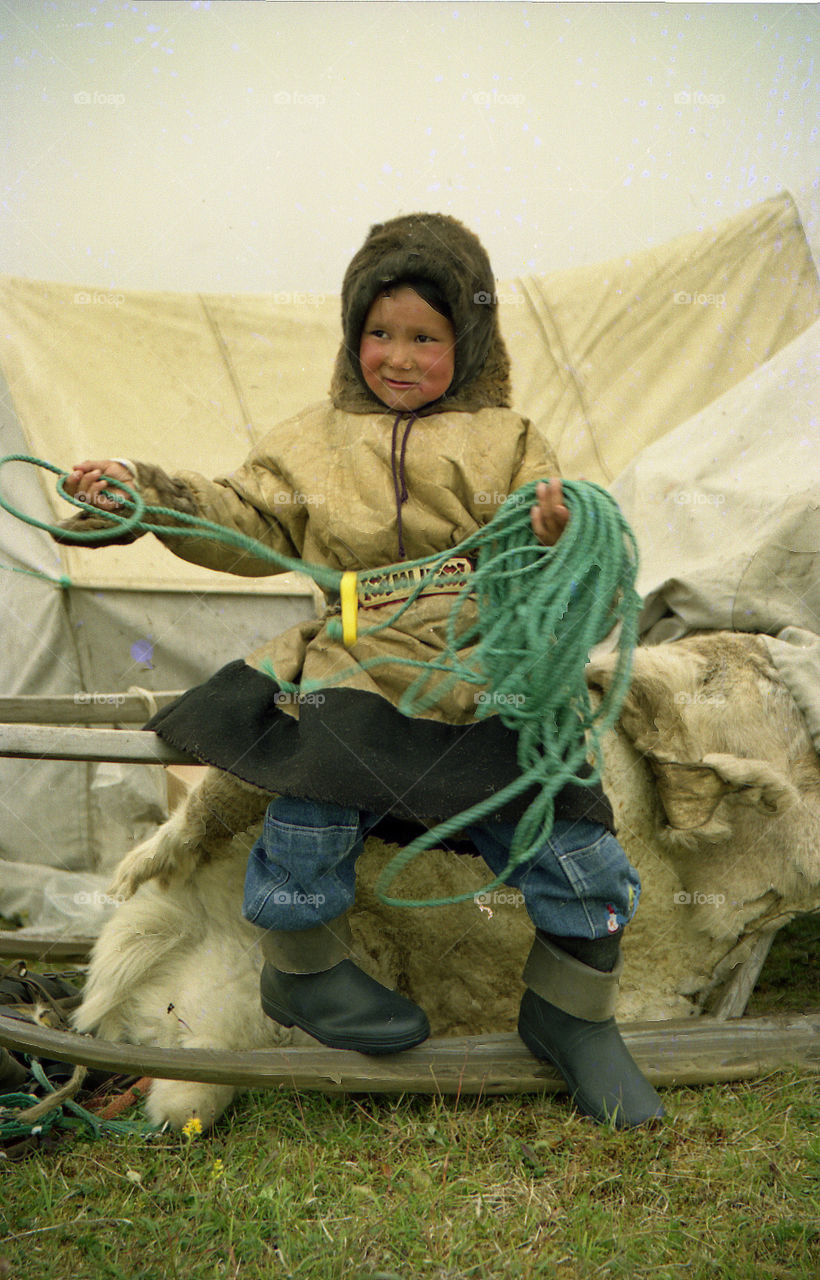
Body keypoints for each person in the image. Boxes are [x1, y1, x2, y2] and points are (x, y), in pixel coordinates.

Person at [61, 212, 663, 1128]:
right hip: (359, 656)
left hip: (482, 666)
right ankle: (304, 968)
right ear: (353, 337)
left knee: (575, 838)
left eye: (426, 336)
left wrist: (553, 532)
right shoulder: (313, 439)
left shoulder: (507, 438)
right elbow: (241, 518)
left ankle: (572, 1016)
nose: (400, 356)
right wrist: (148, 495)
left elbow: (554, 546)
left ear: (468, 340)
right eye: (379, 333)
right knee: (319, 778)